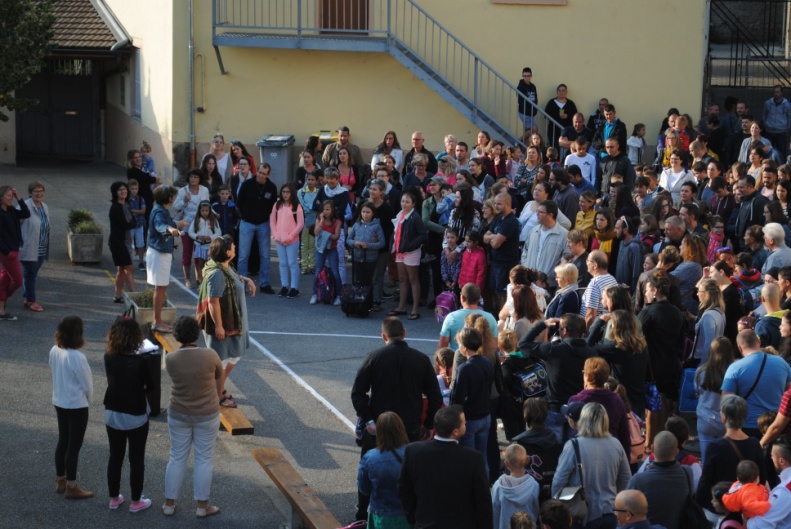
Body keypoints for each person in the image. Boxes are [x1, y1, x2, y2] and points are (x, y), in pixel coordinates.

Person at [351, 316, 443, 520]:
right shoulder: (420, 359)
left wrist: (368, 420)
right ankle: (409, 512)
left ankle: (362, 514)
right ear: (405, 332)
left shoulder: (374, 357)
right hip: (410, 428)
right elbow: (435, 396)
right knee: (409, 471)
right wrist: (428, 424)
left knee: (369, 467)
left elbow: (358, 393)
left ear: (383, 336)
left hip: (378, 429)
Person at [163, 316, 223, 518]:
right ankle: (202, 506)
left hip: (179, 413)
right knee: (204, 459)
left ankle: (169, 503)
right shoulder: (210, 355)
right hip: (207, 413)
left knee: (177, 458)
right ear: (197, 334)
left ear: (177, 335)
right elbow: (218, 376)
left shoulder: (170, 358)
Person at [397, 405, 493, 529]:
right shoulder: (473, 459)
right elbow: (483, 503)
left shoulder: (413, 451)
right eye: (463, 422)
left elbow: (403, 488)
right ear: (455, 431)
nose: (466, 424)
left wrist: (414, 517)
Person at [196, 236, 256, 408]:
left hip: (234, 322)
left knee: (233, 356)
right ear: (227, 252)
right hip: (226, 324)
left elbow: (234, 276)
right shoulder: (216, 274)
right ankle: (217, 396)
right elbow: (213, 301)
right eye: (233, 247)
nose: (235, 248)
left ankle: (218, 389)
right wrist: (219, 326)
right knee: (222, 360)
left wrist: (246, 280)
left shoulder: (223, 266)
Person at [517, 314, 596, 443]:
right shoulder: (591, 353)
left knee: (554, 450)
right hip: (578, 408)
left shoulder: (554, 350)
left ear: (565, 331)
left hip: (555, 407)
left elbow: (523, 343)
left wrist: (542, 325)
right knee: (575, 451)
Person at [552, 402, 631, 529]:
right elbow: (625, 480)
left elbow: (558, 482)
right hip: (611, 513)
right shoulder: (616, 444)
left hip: (584, 516)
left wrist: (558, 509)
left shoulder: (573, 445)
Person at [103, 317, 153, 512]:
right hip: (135, 413)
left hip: (113, 410)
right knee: (136, 458)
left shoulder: (109, 356)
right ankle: (135, 501)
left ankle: (114, 498)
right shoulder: (140, 361)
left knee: (115, 455)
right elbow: (151, 386)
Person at [638, 270, 686, 448]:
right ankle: (663, 442)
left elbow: (636, 334)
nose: (645, 293)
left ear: (656, 290)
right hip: (671, 363)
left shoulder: (649, 312)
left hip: (652, 365)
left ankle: (650, 444)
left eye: (648, 290)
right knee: (664, 402)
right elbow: (682, 341)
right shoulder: (677, 312)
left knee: (652, 406)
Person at [696, 394, 767, 513]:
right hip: (745, 507)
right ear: (744, 416)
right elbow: (762, 478)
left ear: (723, 417)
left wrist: (697, 504)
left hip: (720, 506)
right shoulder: (755, 444)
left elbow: (705, 480)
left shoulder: (715, 447)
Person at [50, 316, 93, 499]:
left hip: (59, 401)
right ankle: (72, 486)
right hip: (76, 405)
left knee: (63, 441)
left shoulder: (54, 350)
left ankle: (61, 480)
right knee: (74, 446)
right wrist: (88, 401)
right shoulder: (78, 357)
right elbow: (87, 385)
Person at [722, 330, 791, 438]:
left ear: (740, 348)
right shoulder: (782, 363)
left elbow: (726, 399)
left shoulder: (735, 368)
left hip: (747, 424)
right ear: (758, 342)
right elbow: (789, 392)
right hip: (776, 425)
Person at [589, 309, 648, 418]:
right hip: (639, 395)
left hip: (622, 396)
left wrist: (599, 322)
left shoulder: (615, 348)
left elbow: (587, 347)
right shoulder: (642, 345)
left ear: (615, 327)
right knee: (635, 430)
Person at [357, 411, 412, 529]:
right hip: (408, 515)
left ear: (379, 432)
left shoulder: (370, 457)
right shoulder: (413, 453)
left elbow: (364, 489)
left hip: (381, 515)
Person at [450, 326, 494, 475]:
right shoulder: (486, 361)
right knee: (482, 458)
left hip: (470, 419)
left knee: (468, 460)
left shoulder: (465, 368)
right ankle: (484, 487)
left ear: (463, 347)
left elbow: (458, 399)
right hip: (485, 415)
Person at [625, 432, 691, 529]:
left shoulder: (638, 481)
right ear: (677, 452)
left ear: (652, 449)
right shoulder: (687, 473)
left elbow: (626, 517)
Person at [567, 357, 631, 456]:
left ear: (587, 377)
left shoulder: (576, 400)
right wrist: (625, 459)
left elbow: (572, 432)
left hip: (585, 454)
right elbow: (625, 434)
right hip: (612, 452)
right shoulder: (617, 400)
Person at [237, 162, 277, 295]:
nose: (260, 175)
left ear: (268, 175)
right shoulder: (247, 184)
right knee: (243, 255)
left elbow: (273, 206)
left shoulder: (271, 187)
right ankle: (240, 283)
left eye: (264, 174)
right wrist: (245, 215)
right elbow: (240, 202)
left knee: (265, 255)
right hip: (247, 222)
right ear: (256, 171)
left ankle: (264, 283)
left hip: (263, 224)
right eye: (259, 172)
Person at [146, 185, 181, 333]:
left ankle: (158, 320)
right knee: (159, 288)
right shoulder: (159, 211)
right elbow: (160, 225)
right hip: (159, 253)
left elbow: (169, 223)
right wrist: (171, 230)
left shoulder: (161, 210)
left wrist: (178, 225)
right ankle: (157, 321)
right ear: (170, 198)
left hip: (162, 253)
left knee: (161, 287)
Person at [695, 337, 736, 461]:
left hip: (705, 420)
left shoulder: (701, 371)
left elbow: (697, 392)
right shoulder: (735, 371)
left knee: (706, 459)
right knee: (726, 461)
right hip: (727, 422)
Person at [390, 190, 428, 319]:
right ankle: (402, 306)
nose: (404, 204)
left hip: (411, 252)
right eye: (402, 201)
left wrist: (410, 245)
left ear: (413, 204)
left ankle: (415, 309)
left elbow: (423, 235)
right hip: (400, 252)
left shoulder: (415, 217)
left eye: (407, 202)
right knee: (402, 279)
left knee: (413, 279)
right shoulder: (401, 214)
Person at [172, 169, 210, 287]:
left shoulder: (204, 190)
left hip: (201, 224)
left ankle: (199, 277)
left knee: (199, 252)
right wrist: (184, 200)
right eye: (191, 177)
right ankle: (187, 278)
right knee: (187, 252)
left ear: (200, 179)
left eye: (196, 177)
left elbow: (207, 205)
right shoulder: (183, 191)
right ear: (188, 178)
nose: (193, 179)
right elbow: (175, 206)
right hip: (187, 224)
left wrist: (213, 215)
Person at [521, 200, 568, 289]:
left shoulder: (564, 235)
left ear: (550, 215)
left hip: (549, 285)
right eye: (537, 211)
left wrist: (553, 275)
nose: (537, 214)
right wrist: (526, 266)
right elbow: (525, 251)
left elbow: (566, 259)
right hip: (529, 282)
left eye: (540, 212)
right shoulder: (534, 230)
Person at [492, 444, 540, 529]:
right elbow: (535, 510)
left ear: (506, 464)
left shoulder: (499, 486)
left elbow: (495, 512)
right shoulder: (534, 485)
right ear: (527, 460)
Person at [0, 185, 30, 320]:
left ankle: (1, 309)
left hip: (14, 250)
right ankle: (2, 301)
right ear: (1, 197)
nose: (11, 198)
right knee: (17, 280)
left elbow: (26, 213)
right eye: (8, 196)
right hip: (7, 253)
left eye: (12, 196)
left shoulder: (11, 210)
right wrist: (7, 253)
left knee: (4, 279)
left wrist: (19, 198)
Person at [747, 437, 791, 528]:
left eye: (772, 456)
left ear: (781, 461)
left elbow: (760, 525)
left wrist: (747, 521)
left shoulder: (785, 490)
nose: (771, 459)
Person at [19, 182, 49, 312]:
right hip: (29, 247)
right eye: (36, 191)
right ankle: (31, 301)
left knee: (32, 274)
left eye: (41, 191)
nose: (39, 193)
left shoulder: (45, 206)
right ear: (30, 193)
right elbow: (14, 224)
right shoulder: (24, 206)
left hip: (41, 247)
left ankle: (27, 297)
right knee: (30, 274)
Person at [270, 183, 304, 298]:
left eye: (287, 192)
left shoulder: (296, 206)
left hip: (292, 241)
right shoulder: (277, 204)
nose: (285, 194)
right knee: (283, 264)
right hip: (279, 240)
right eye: (283, 192)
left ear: (292, 193)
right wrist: (275, 235)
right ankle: (284, 286)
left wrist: (290, 237)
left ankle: (294, 288)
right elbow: (272, 221)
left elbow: (300, 224)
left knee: (292, 263)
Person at [310, 200, 343, 306]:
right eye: (323, 209)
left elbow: (336, 237)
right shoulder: (319, 219)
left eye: (327, 209)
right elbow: (316, 232)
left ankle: (338, 295)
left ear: (332, 210)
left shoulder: (337, 221)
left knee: (335, 272)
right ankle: (314, 294)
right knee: (317, 271)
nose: (325, 211)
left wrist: (324, 233)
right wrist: (321, 222)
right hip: (320, 249)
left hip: (332, 249)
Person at [187, 201, 222, 285]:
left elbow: (219, 233)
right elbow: (190, 232)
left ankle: (210, 282)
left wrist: (210, 237)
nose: (204, 212)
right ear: (199, 211)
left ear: (210, 211)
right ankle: (201, 282)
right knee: (200, 265)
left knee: (210, 265)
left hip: (210, 246)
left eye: (206, 211)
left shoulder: (214, 221)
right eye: (202, 211)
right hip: (199, 245)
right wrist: (197, 236)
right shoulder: (196, 220)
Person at [582, 250, 619, 328]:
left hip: (596, 330)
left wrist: (585, 333)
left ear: (595, 265)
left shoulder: (595, 283)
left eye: (588, 260)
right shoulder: (612, 278)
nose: (586, 263)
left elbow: (591, 315)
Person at [517, 68, 538, 133]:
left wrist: (534, 109)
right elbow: (520, 100)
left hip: (531, 112)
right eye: (524, 76)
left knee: (528, 130)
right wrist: (528, 110)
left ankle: (523, 142)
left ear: (531, 76)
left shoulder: (533, 86)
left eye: (528, 76)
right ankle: (519, 141)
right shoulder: (521, 86)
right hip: (524, 112)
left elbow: (535, 98)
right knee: (534, 129)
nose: (526, 78)